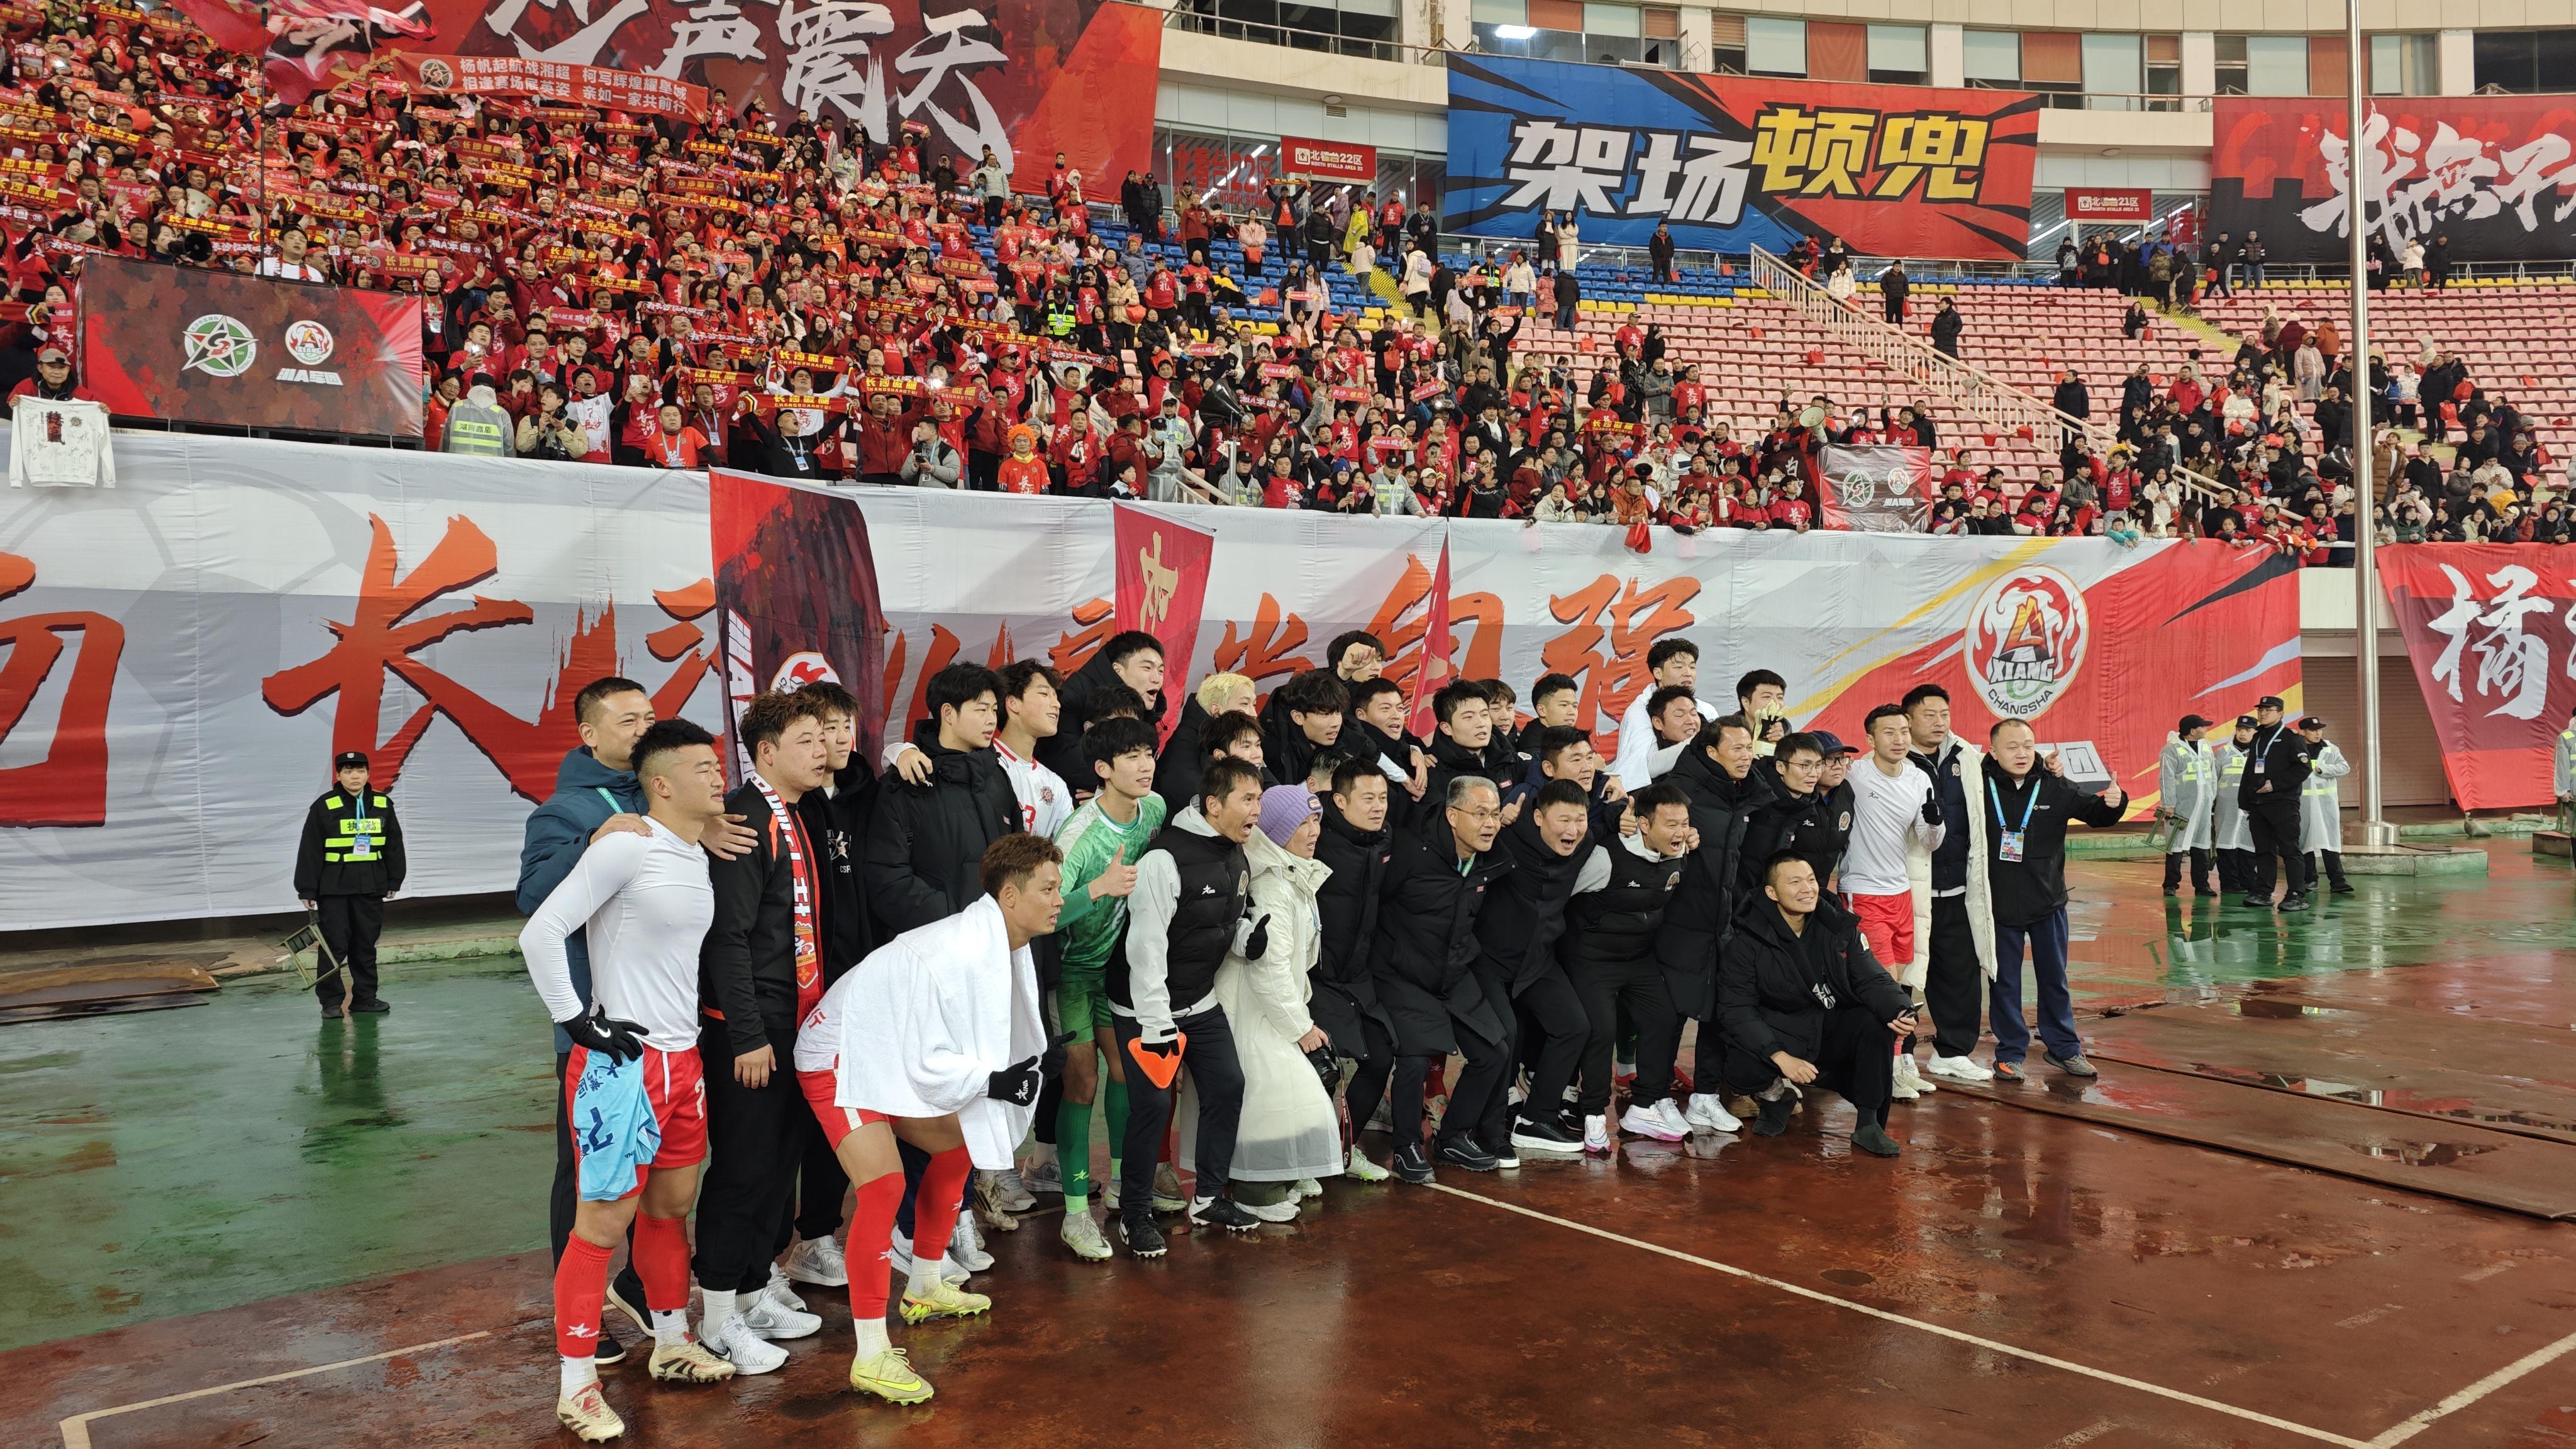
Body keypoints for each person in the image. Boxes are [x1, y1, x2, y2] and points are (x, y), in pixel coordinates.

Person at [517, 679, 755, 1366]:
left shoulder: (677, 819)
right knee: (590, 1193)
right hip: (607, 1033)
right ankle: (580, 1347)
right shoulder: (571, 812)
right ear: (590, 735)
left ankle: (660, 1319)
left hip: (677, 1042)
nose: (644, 726)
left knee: (665, 1202)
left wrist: (694, 824)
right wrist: (592, 842)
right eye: (628, 720)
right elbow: (536, 907)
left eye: (650, 715)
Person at [792, 833, 1060, 1405]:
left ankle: (925, 1285)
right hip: (840, 1052)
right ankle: (870, 1355)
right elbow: (926, 1054)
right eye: (1049, 888)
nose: (1060, 899)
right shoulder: (960, 951)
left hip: (884, 1047)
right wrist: (992, 1081)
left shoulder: (998, 941)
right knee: (884, 1187)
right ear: (1010, 897)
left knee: (959, 1145)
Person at [864, 663, 1023, 1280]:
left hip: (988, 966)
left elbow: (1011, 869)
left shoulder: (996, 776)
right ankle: (909, 1229)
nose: (991, 719)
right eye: (980, 708)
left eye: (995, 709)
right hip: (930, 966)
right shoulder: (907, 781)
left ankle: (953, 1217)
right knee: (925, 1103)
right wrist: (959, 930)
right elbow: (888, 879)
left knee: (974, 1093)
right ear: (946, 714)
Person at [694, 691, 836, 1375]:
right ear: (767, 753)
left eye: (823, 737)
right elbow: (729, 939)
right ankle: (716, 1321)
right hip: (751, 1032)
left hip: (793, 1021)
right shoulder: (745, 819)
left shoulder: (795, 813)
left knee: (779, 1169)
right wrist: (747, 1035)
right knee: (744, 1172)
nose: (822, 749)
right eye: (806, 740)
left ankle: (753, 1295)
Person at [1110, 757, 1269, 1255]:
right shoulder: (1164, 860)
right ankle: (1134, 1214)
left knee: (1228, 1086)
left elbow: (1219, 919)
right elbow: (1146, 948)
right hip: (1143, 1007)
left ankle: (1208, 1197)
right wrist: (1156, 1023)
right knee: (1154, 1106)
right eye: (1247, 799)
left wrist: (1245, 938)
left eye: (1259, 800)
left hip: (1199, 999)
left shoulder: (1236, 853)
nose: (1256, 810)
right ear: (1214, 805)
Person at [1180, 785, 1343, 1216]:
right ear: (1278, 830)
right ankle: (1257, 1192)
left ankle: (1277, 1178)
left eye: (1316, 821)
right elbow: (1269, 970)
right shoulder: (1272, 884)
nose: (1313, 831)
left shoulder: (1291, 874)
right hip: (1253, 1010)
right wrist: (1300, 1027)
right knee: (1271, 1101)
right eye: (1302, 823)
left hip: (1272, 1009)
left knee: (1282, 1099)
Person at [1046, 716, 1166, 1260]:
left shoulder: (1155, 809)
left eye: (1149, 754)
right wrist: (1100, 887)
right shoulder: (1078, 836)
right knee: (1082, 1084)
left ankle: (1120, 1183)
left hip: (1120, 970)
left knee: (1125, 1072)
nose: (1145, 766)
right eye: (1132, 756)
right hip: (1072, 975)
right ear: (1102, 769)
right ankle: (1075, 1215)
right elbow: (1047, 911)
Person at [1716, 854, 1914, 1157]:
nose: (1807, 889)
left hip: (1827, 1024)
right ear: (1772, 893)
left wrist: (1900, 1008)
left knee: (1875, 1023)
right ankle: (1775, 1097)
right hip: (1780, 1028)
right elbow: (1737, 1009)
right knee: (1742, 1061)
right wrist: (1779, 1056)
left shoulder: (1837, 925)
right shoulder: (1747, 938)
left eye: (1811, 880)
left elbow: (1870, 977)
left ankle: (1869, 1124)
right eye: (1795, 882)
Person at [1982, 719, 2128, 1082]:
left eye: (2027, 745)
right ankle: (2010, 1053)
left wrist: (2115, 803)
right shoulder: (1977, 786)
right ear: (1993, 751)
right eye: (2012, 747)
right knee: (2004, 982)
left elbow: (2096, 815)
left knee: (2054, 979)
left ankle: (2064, 1049)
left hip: (2047, 902)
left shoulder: (2053, 784)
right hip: (1997, 905)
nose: (2021, 753)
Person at [1653, 714, 1772, 1132]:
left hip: (1723, 921)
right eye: (1736, 748)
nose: (1746, 756)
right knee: (1670, 1016)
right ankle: (1655, 1098)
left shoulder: (1744, 792)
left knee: (1719, 1011)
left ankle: (1705, 1097)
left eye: (1749, 748)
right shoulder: (1679, 791)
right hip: (1679, 921)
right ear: (1711, 752)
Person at [1472, 777, 1597, 1162]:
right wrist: (1497, 820)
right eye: (1564, 820)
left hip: (1539, 960)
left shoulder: (1586, 843)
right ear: (1539, 817)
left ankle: (1536, 1119)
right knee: (1506, 1037)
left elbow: (1620, 823)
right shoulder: (1506, 838)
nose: (1573, 830)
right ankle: (1488, 1130)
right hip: (1490, 959)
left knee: (1575, 1026)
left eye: (1580, 819)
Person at [1565, 779, 1694, 1146]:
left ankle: (1646, 1104)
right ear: (1644, 824)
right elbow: (1562, 895)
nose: (1680, 833)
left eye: (1685, 824)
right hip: (1592, 959)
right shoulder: (1606, 856)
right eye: (1671, 825)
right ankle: (1593, 1113)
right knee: (1601, 1030)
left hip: (1638, 958)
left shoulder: (1678, 853)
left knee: (1664, 1018)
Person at [1838, 706, 1943, 1101]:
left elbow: (1929, 841)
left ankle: (1898, 1064)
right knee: (1882, 988)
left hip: (1902, 894)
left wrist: (1935, 822)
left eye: (1904, 731)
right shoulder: (1855, 775)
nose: (1899, 740)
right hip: (1863, 892)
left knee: (1900, 987)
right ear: (1870, 739)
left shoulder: (1919, 778)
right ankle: (1884, 1069)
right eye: (1889, 732)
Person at [1902, 685, 1996, 1085]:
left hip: (1958, 889)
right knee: (1904, 977)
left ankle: (1952, 1053)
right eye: (1930, 715)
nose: (1939, 722)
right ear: (1908, 720)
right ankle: (1901, 1056)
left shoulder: (1966, 756)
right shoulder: (1893, 761)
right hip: (1909, 892)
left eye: (1945, 714)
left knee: (1960, 975)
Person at [1312, 756, 1399, 1180]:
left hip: (1359, 976)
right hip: (1316, 978)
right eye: (1368, 798)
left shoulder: (1384, 840)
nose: (1378, 806)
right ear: (1340, 801)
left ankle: (1343, 1150)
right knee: (1319, 1071)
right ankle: (1308, 1159)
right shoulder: (1316, 839)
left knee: (1381, 1057)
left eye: (1383, 797)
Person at [294, 750, 405, 1018]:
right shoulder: (324, 806)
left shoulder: (383, 804)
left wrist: (394, 879)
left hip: (370, 886)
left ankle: (365, 998)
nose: (354, 776)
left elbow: (394, 845)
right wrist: (307, 889)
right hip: (334, 888)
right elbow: (310, 849)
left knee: (365, 944)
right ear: (338, 775)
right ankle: (331, 1003)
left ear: (368, 774)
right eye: (348, 771)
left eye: (360, 771)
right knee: (334, 945)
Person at [2236, 694, 2314, 911]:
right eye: (2260, 710)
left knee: (2289, 849)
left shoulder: (2291, 738)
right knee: (2263, 850)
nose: (2262, 714)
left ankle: (2296, 894)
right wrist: (2244, 800)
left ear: (2280, 714)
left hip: (2283, 803)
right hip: (2258, 804)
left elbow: (2303, 768)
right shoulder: (2258, 737)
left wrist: (2275, 785)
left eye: (2268, 710)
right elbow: (2250, 770)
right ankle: (2263, 892)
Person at [1611, 639, 1716, 789]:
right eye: (1678, 667)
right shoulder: (1639, 712)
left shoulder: (1706, 710)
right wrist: (1700, 741)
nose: (1688, 674)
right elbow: (1647, 766)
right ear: (1658, 673)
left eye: (1692, 667)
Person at [2158, 715, 2219, 897]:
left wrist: (2212, 797)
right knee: (2175, 846)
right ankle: (2171, 884)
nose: (2206, 730)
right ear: (2192, 731)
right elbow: (2166, 779)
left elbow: (2212, 774)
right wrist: (2169, 804)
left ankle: (2202, 885)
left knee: (2202, 846)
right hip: (2182, 806)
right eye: (2203, 727)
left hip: (2203, 805)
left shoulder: (2206, 746)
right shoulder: (2171, 750)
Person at [2296, 716, 2353, 896]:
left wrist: (2323, 769)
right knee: (2305, 841)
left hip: (2326, 804)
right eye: (2313, 730)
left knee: (2330, 841)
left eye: (2320, 730)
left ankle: (2338, 881)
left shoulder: (2330, 749)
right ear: (2303, 732)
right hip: (2303, 803)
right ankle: (2310, 879)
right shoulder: (2296, 749)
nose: (2318, 733)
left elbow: (2344, 767)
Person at [2209, 716, 2258, 894]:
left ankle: (2249, 881)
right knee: (2226, 844)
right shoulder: (2223, 753)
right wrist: (2211, 804)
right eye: (2240, 730)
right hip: (2227, 807)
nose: (2243, 733)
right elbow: (2213, 780)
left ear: (2255, 732)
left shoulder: (2260, 752)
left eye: (2248, 730)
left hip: (2252, 807)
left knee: (2248, 844)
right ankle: (2230, 883)